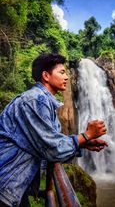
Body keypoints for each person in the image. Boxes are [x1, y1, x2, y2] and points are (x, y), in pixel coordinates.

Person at [0, 53, 107, 207]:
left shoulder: (44, 103)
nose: (67, 77)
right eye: (62, 72)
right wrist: (87, 135)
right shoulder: (34, 101)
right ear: (46, 76)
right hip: (6, 184)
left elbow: (51, 142)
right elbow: (52, 149)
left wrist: (83, 143)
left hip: (16, 187)